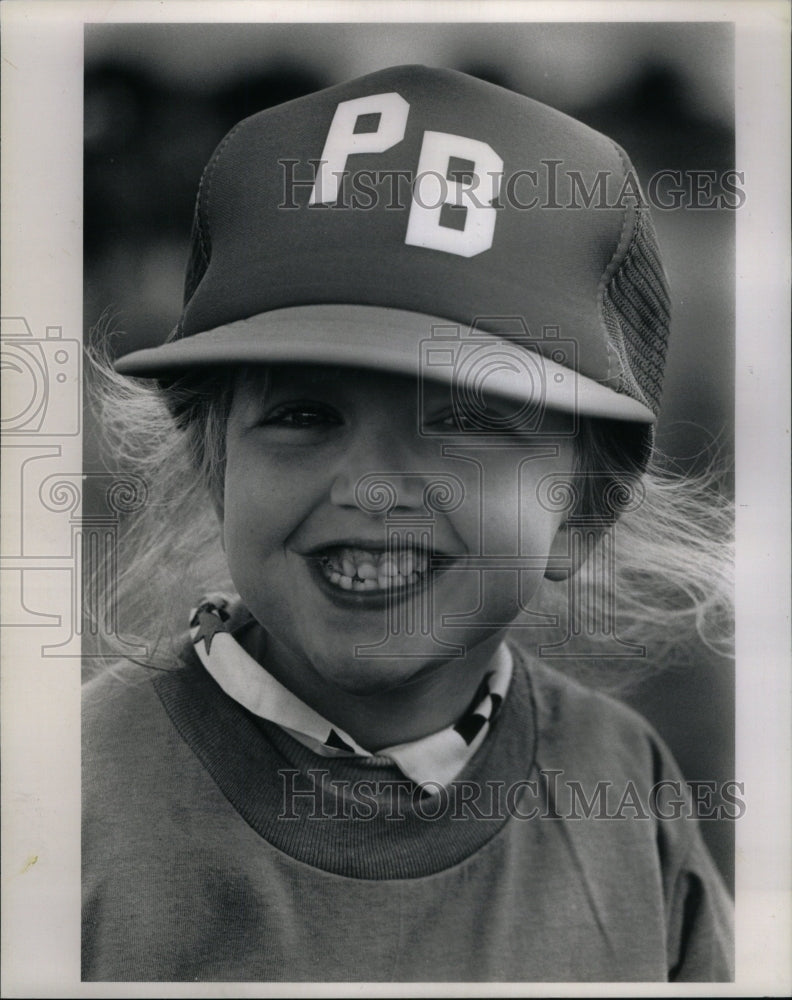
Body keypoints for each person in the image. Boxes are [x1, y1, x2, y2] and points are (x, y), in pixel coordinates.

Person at [82, 64, 734, 982]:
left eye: (464, 420)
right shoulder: (64, 804)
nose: (375, 487)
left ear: (582, 507)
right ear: (214, 462)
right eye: (305, 414)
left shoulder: (627, 789)